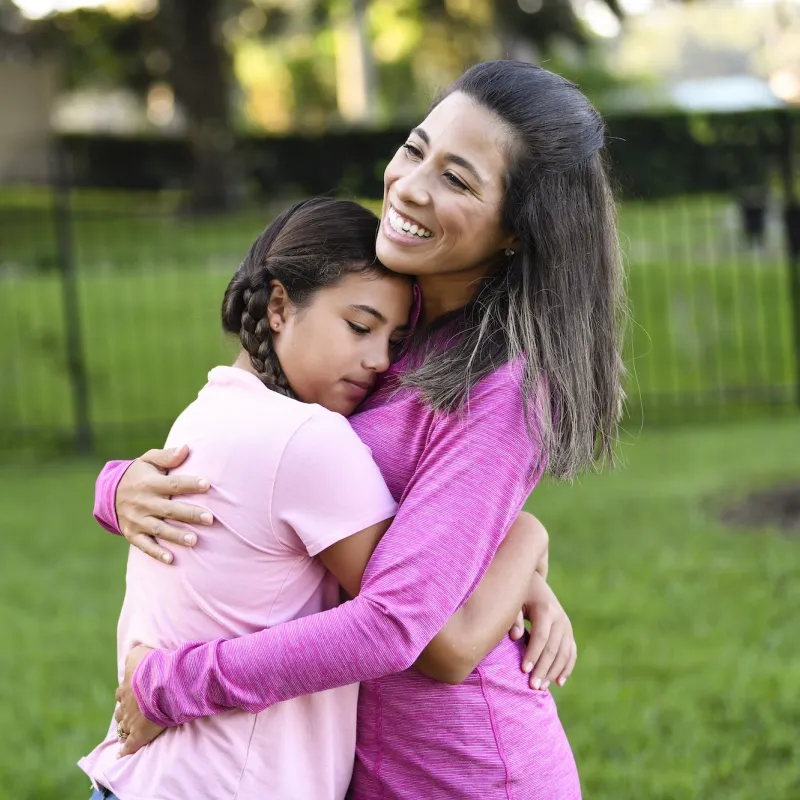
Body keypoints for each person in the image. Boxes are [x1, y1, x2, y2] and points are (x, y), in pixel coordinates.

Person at [95, 60, 624, 799]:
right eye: (415, 149)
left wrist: (175, 683)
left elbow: (411, 630)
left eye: (459, 180)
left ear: (515, 233)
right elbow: (254, 430)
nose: (409, 186)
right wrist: (120, 485)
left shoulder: (504, 387)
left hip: (464, 769)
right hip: (354, 764)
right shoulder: (389, 322)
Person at [80, 196, 558, 800]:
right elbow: (435, 632)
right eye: (360, 327)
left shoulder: (204, 413)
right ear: (280, 305)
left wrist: (112, 485)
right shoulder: (312, 438)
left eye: (396, 340)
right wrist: (525, 536)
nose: (379, 361)